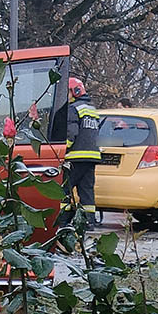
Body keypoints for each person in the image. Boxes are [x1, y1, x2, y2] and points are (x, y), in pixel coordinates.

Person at [61, 77, 102, 229]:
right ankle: (88, 221)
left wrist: (63, 149)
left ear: (75, 92)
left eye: (68, 92)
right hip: (92, 157)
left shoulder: (73, 109)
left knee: (63, 190)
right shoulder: (91, 109)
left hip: (75, 157)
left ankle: (62, 220)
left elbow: (71, 133)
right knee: (86, 191)